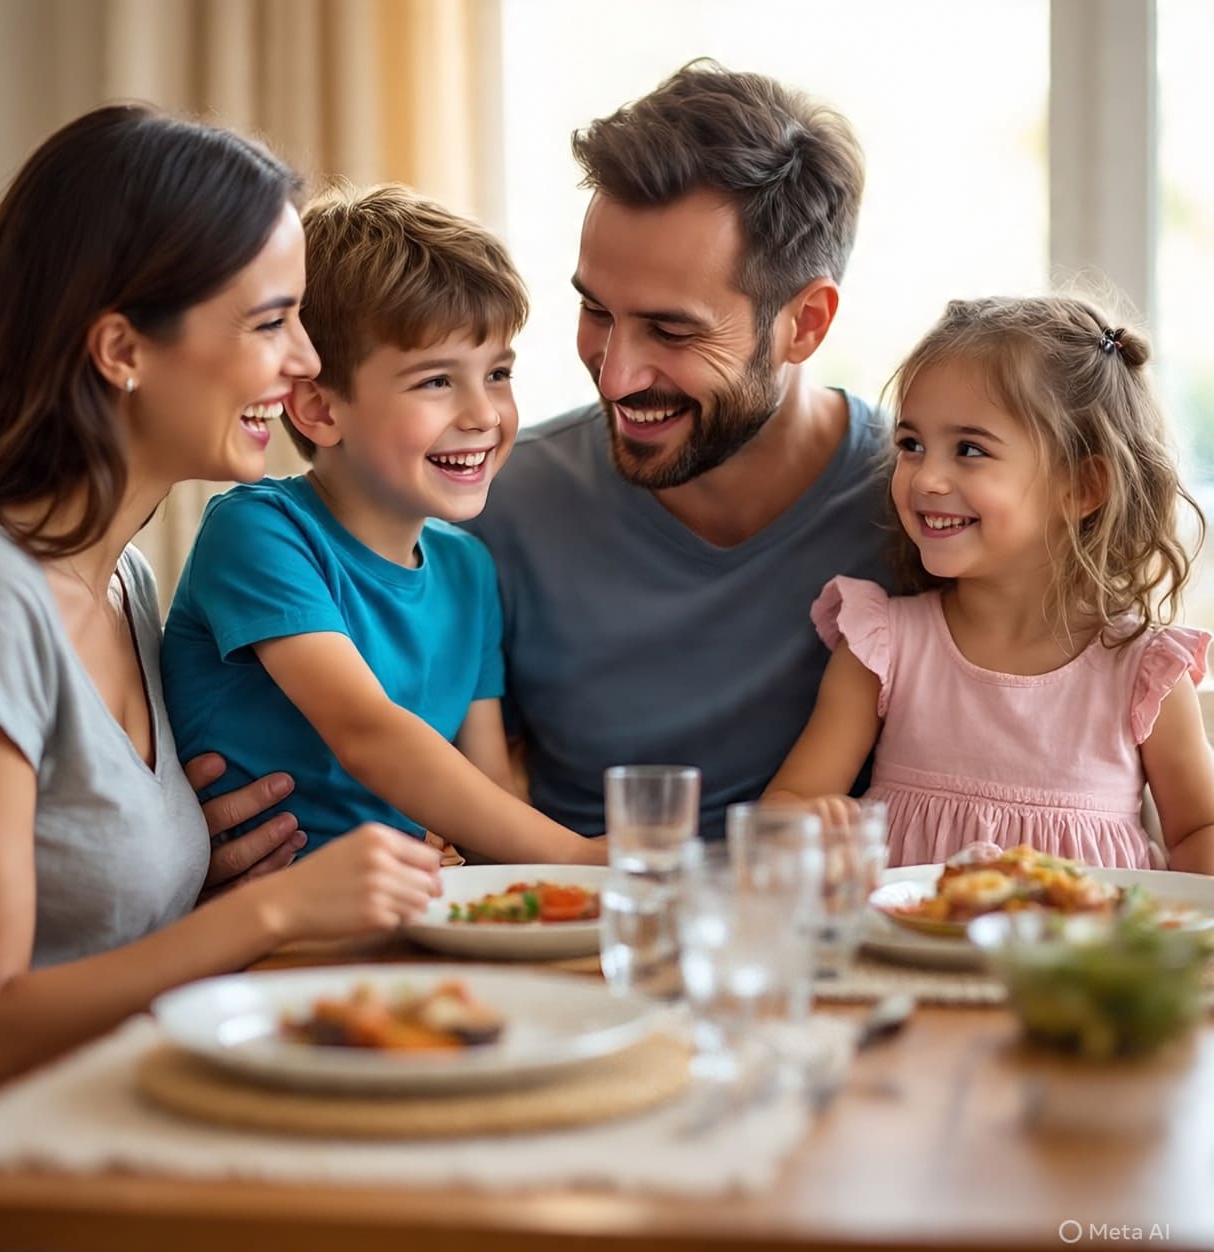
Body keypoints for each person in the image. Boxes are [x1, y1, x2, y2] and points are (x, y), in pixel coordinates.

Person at [0, 106, 446, 1134]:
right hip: (4, 1204)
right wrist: (274, 909)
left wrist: (202, 898)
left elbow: (78, 938)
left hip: (129, 1127)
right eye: (269, 322)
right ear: (122, 347)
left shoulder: (126, 581)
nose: (305, 359)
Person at [465, 60, 889, 839]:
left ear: (806, 323)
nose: (616, 373)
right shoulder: (498, 502)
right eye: (596, 310)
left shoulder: (924, 512)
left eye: (672, 329)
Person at [162, 184, 599, 866]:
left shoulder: (468, 569)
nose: (484, 412)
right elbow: (367, 733)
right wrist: (583, 860)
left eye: (499, 372)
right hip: (274, 926)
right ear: (318, 409)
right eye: (436, 381)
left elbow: (489, 787)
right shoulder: (257, 532)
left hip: (407, 912)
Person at [763, 295, 1214, 873]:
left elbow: (1199, 830)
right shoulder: (882, 647)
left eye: (970, 450)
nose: (926, 477)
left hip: (1082, 960)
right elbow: (784, 806)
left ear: (1082, 487)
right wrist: (810, 821)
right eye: (911, 444)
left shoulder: (1143, 671)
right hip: (900, 960)